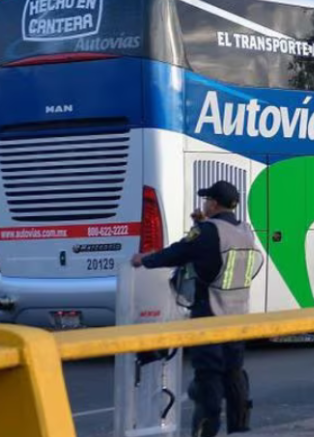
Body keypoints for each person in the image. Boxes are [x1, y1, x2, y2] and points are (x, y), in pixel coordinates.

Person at [131, 181, 263, 437]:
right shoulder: (245, 231)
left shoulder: (208, 232)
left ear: (213, 204)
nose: (204, 204)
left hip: (210, 314)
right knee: (234, 374)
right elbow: (222, 256)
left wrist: (144, 260)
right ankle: (239, 429)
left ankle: (206, 432)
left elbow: (179, 252)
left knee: (208, 379)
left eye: (207, 200)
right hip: (238, 316)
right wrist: (201, 227)